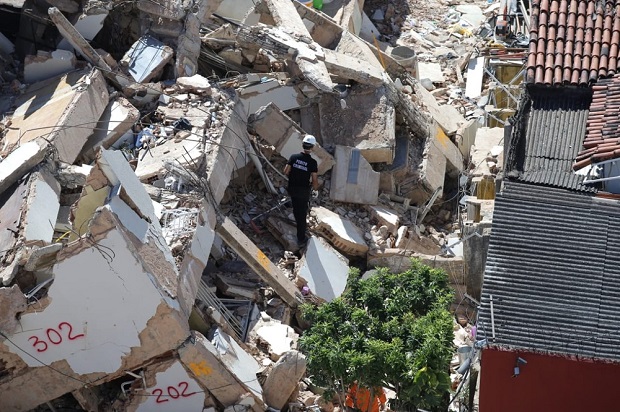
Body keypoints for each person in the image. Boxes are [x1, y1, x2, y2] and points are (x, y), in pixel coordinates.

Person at [283, 134, 319, 246]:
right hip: (303, 191)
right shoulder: (312, 163)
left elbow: (285, 171)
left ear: (303, 145)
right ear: (312, 147)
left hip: (292, 188)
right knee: (302, 214)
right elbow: (314, 179)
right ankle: (301, 238)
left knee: (296, 208)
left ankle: (297, 221)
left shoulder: (293, 157)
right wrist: (315, 189)